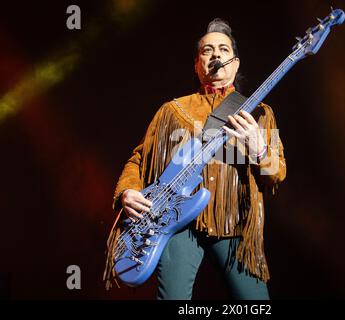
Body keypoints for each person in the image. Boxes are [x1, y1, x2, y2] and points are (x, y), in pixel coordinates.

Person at [104, 18, 286, 300]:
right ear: (197, 64)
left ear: (235, 63)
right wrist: (127, 192)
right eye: (207, 50)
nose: (215, 55)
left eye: (224, 50)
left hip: (234, 222)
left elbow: (277, 174)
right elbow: (139, 159)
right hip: (178, 223)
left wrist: (259, 147)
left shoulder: (259, 112)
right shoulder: (172, 111)